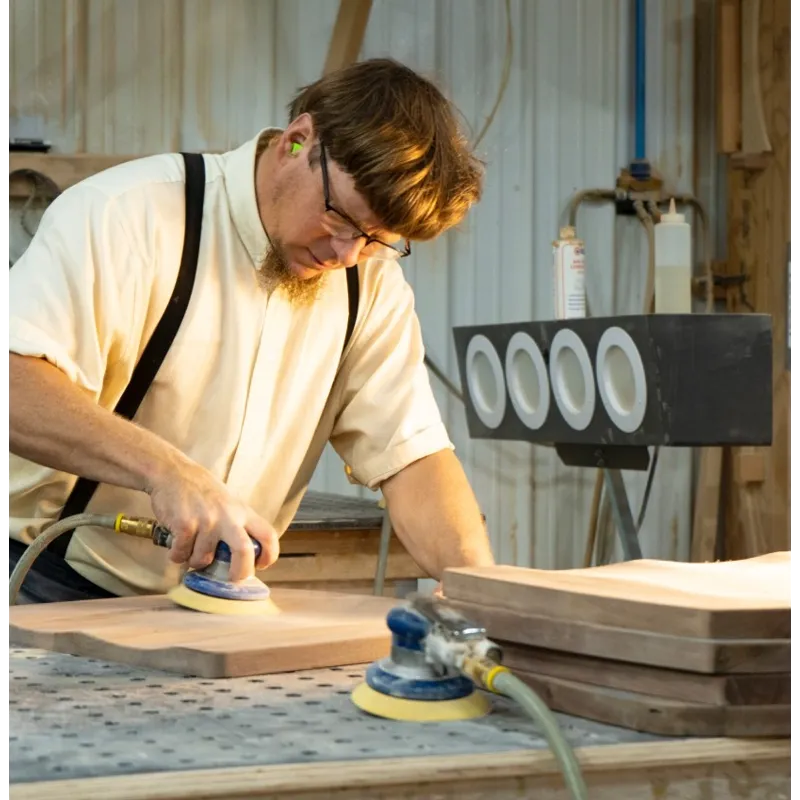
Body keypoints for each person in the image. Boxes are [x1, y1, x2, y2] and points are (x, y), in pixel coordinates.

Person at [8, 58, 495, 604]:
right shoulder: (127, 217)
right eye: (339, 221)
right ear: (297, 140)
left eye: (377, 239)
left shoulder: (370, 284)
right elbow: (13, 388)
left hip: (212, 602)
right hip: (40, 581)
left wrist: (480, 589)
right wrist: (167, 472)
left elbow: (414, 458)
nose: (346, 254)